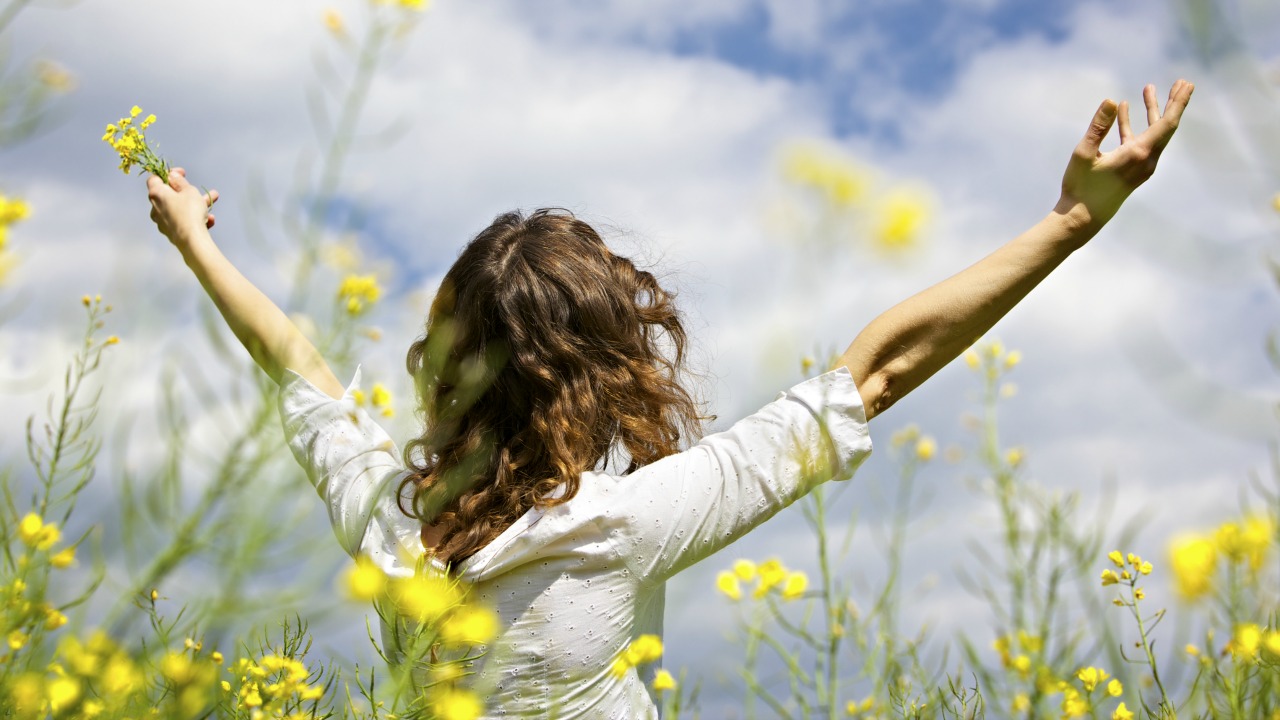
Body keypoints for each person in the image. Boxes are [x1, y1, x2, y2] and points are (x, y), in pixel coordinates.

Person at [146, 80, 1194, 718]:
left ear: (447, 361)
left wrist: (198, 243)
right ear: (607, 368)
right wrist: (1065, 226)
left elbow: (300, 372)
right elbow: (875, 371)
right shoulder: (618, 525)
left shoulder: (393, 533)